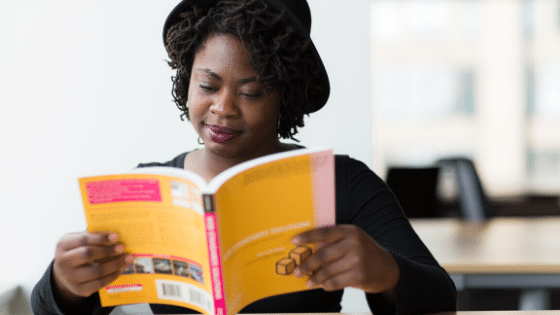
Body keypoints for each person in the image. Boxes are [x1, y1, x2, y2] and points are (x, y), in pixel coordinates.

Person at [31, 0, 457, 314]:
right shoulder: (148, 189)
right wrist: (67, 283)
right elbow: (50, 306)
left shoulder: (341, 182)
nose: (224, 107)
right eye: (207, 85)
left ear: (283, 98)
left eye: (251, 92)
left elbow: (441, 297)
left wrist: (385, 271)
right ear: (186, 83)